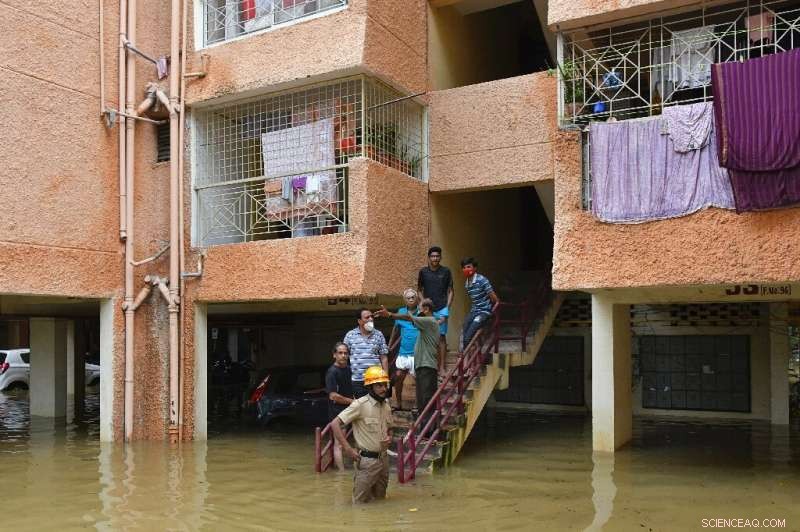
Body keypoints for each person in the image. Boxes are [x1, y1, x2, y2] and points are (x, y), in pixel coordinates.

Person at [376, 298, 442, 436]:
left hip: (426, 365)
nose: (418, 310)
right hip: (423, 365)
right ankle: (426, 430)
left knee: (426, 399)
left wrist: (390, 314)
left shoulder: (429, 321)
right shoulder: (429, 322)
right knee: (423, 399)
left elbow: (408, 317)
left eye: (420, 307)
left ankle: (428, 432)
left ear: (426, 309)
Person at [331, 366, 393, 504]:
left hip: (383, 460)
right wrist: (348, 449)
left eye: (385, 385)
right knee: (359, 503)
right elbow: (335, 424)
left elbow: (390, 428)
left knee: (380, 500)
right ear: (370, 387)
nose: (384, 389)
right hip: (367, 460)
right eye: (379, 385)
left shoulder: (386, 406)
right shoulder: (359, 405)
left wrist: (390, 437)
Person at [418, 246, 453, 374]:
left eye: (437, 256)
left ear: (440, 257)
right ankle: (431, 366)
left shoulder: (446, 271)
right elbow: (419, 290)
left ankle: (442, 367)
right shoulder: (423, 272)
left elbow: (450, 291)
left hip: (442, 308)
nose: (435, 258)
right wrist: (423, 303)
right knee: (428, 337)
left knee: (441, 337)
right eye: (433, 256)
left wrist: (447, 308)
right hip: (428, 311)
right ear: (429, 258)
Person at [343, 308, 389, 399]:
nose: (371, 319)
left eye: (371, 317)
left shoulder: (378, 334)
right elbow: (344, 356)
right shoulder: (350, 335)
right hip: (358, 380)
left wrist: (386, 379)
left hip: (376, 379)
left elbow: (384, 358)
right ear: (359, 321)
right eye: (367, 317)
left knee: (377, 405)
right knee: (361, 405)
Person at [387, 288, 420, 410]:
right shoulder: (401, 312)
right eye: (408, 298)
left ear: (417, 299)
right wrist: (390, 346)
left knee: (417, 379)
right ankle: (398, 403)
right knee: (398, 376)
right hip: (403, 352)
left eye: (413, 297)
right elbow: (395, 330)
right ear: (405, 300)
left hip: (417, 352)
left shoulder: (421, 311)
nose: (411, 299)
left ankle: (416, 404)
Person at [460, 257, 500, 356]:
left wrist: (492, 311)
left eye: (469, 267)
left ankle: (469, 356)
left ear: (475, 268)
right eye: (464, 267)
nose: (466, 269)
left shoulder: (482, 280)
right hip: (474, 311)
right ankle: (470, 355)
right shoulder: (467, 284)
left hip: (484, 312)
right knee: (464, 330)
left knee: (468, 336)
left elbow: (494, 298)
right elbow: (474, 300)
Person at [325, 342, 353, 471]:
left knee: (359, 439)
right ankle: (341, 474)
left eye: (345, 353)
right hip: (338, 411)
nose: (343, 355)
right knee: (339, 444)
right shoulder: (332, 372)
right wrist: (353, 402)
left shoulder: (349, 369)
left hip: (351, 409)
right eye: (340, 353)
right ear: (334, 355)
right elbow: (333, 396)